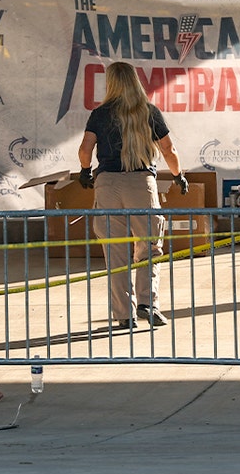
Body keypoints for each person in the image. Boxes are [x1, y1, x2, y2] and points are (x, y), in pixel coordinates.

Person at [77, 62, 187, 330]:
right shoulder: (149, 112)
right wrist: (177, 175)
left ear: (111, 83)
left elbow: (85, 149)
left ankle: (125, 315)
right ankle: (148, 304)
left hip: (108, 184)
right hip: (141, 183)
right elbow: (169, 150)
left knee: (115, 251)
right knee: (149, 246)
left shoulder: (100, 114)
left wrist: (84, 171)